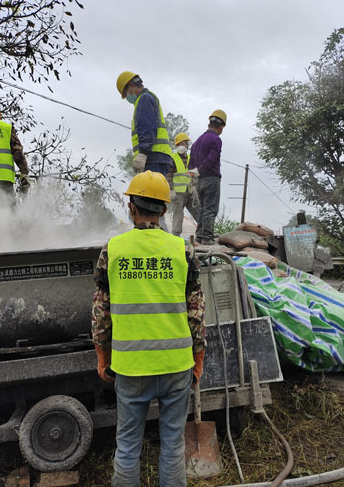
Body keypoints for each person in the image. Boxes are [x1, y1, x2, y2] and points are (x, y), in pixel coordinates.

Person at [92, 170, 206, 487]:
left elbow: (100, 312)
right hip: (176, 366)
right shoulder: (182, 250)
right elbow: (196, 312)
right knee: (172, 445)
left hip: (130, 368)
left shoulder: (112, 250)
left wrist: (103, 356)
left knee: (127, 448)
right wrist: (198, 359)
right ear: (164, 211)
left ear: (131, 207)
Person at [116, 71, 172, 176]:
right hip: (158, 157)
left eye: (125, 93)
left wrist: (142, 153)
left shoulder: (144, 99)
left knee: (150, 191)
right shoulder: (147, 98)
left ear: (131, 86)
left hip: (153, 157)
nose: (127, 97)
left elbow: (147, 127)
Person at [189, 109, 226, 245]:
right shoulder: (216, 139)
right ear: (221, 126)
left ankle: (199, 236)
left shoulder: (197, 142)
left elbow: (191, 162)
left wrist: (194, 172)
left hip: (199, 181)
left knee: (203, 209)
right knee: (210, 209)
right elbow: (212, 157)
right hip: (211, 179)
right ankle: (208, 238)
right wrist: (201, 169)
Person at [167, 133, 201, 237]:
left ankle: (202, 233)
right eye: (179, 144)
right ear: (176, 146)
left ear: (187, 145)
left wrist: (195, 181)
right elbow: (169, 175)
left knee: (199, 212)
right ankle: (176, 237)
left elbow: (194, 173)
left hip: (190, 192)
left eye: (183, 143)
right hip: (178, 194)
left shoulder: (191, 158)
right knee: (178, 215)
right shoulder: (173, 158)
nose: (181, 146)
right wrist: (171, 190)